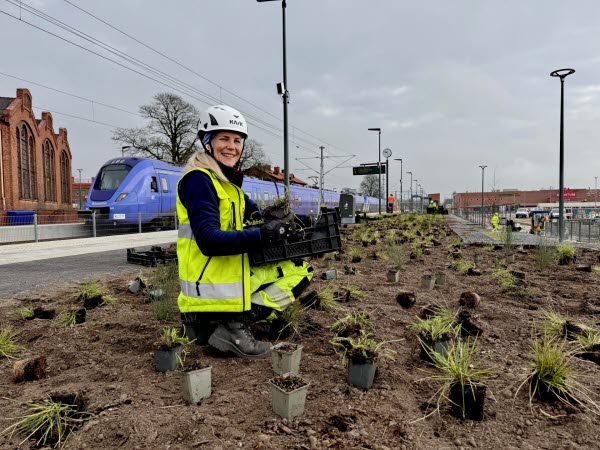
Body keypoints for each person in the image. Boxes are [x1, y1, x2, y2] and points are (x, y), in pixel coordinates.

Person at [176, 105, 313, 358]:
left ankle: (228, 323)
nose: (231, 146)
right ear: (207, 143)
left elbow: (258, 217)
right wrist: (264, 235)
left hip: (220, 279)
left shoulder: (229, 187)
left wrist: (300, 220)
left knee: (298, 266)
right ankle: (235, 326)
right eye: (223, 139)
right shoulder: (199, 181)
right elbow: (208, 240)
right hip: (208, 287)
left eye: (237, 140)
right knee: (298, 273)